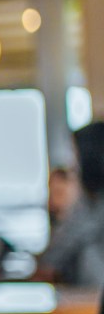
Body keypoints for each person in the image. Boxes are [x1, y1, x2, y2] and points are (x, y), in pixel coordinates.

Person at [40, 122, 104, 288]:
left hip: (89, 302)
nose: (73, 165)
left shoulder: (91, 206)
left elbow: (51, 262)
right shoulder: (90, 203)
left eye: (75, 156)